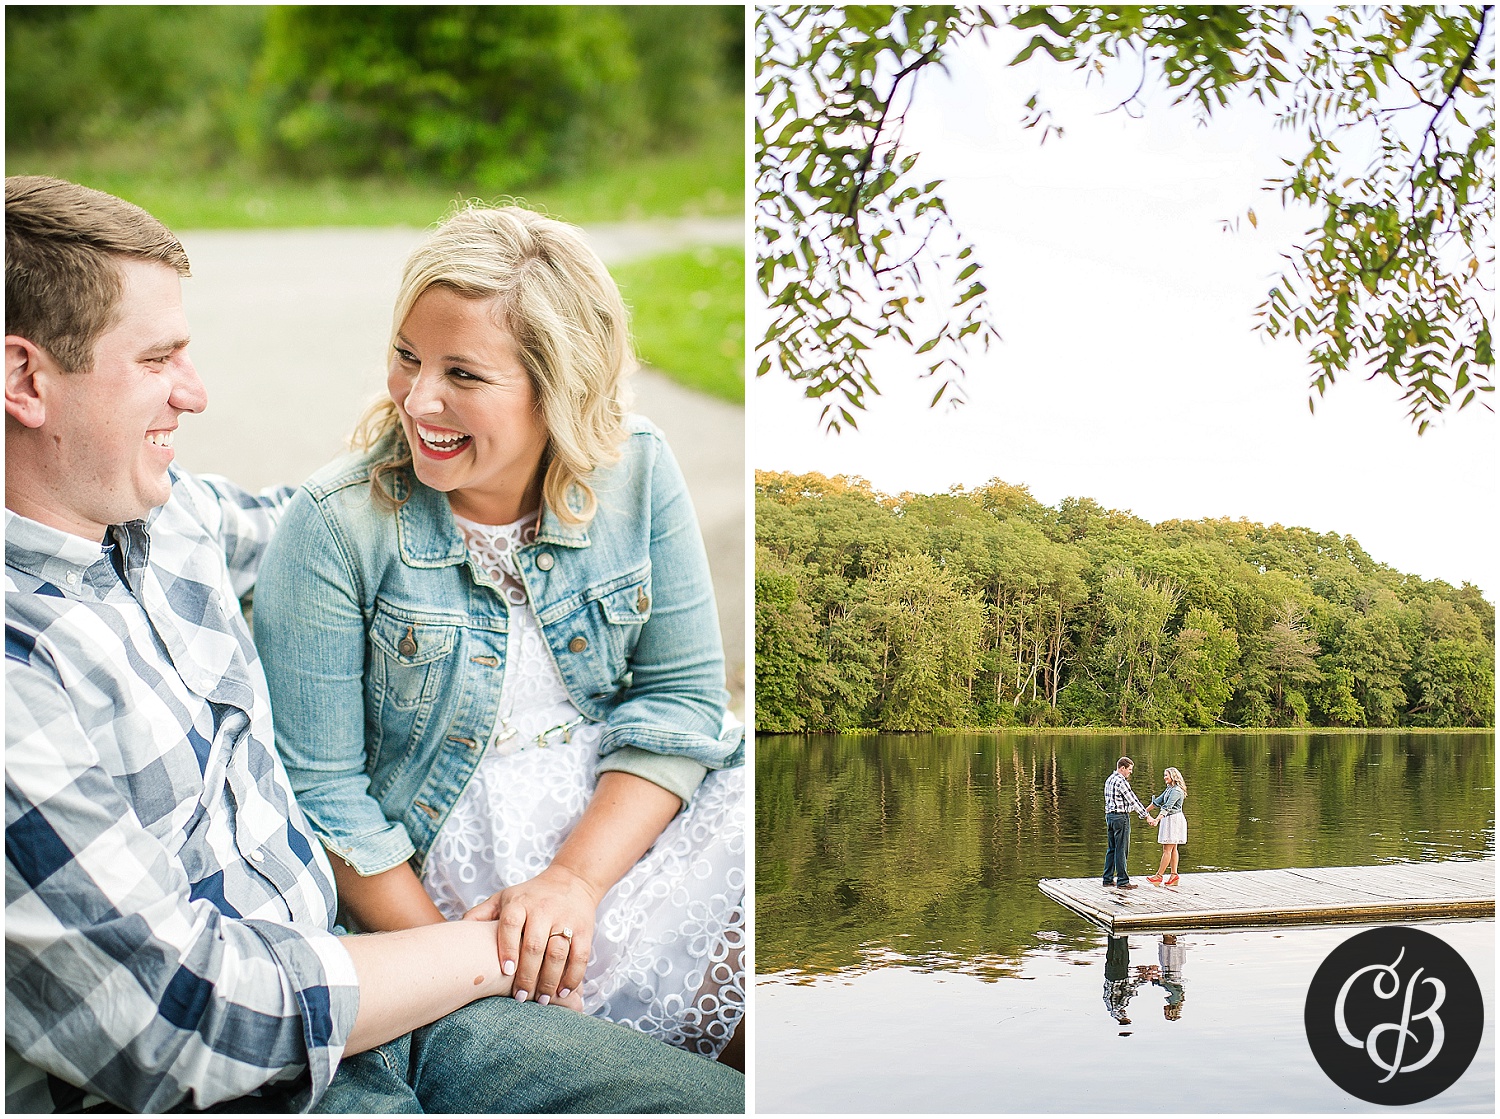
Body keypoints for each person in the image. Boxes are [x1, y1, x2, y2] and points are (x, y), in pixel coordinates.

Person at [4, 175, 742, 1113]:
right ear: (26, 379)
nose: (196, 394)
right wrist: (499, 948)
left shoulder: (165, 513)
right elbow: (186, 1021)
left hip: (404, 987)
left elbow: (338, 523)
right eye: (160, 360)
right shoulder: (20, 667)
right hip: (275, 1063)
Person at [250, 204, 746, 1062]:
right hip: (446, 891)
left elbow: (681, 697)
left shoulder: (638, 468)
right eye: (407, 356)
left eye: (463, 374)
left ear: (558, 388)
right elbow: (324, 797)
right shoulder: (332, 526)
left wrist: (574, 881)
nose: (419, 398)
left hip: (618, 828)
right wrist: (462, 960)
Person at [1102, 756, 1152, 889]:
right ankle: (1123, 881)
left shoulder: (1109, 779)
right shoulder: (1120, 781)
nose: (1130, 772)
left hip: (1110, 816)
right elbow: (1133, 800)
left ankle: (1107, 878)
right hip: (1120, 818)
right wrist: (1146, 816)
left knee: (1112, 848)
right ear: (1122, 768)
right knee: (1122, 849)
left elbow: (1119, 801)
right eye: (1129, 769)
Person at [1146, 766, 1187, 885]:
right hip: (1168, 819)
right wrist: (1144, 811)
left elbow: (1167, 807)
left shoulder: (1177, 791)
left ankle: (1159, 876)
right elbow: (1158, 801)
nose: (1164, 777)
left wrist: (1157, 820)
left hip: (1173, 820)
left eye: (1166, 775)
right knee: (1172, 848)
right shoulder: (1170, 788)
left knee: (1167, 849)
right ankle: (1174, 875)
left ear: (1173, 776)